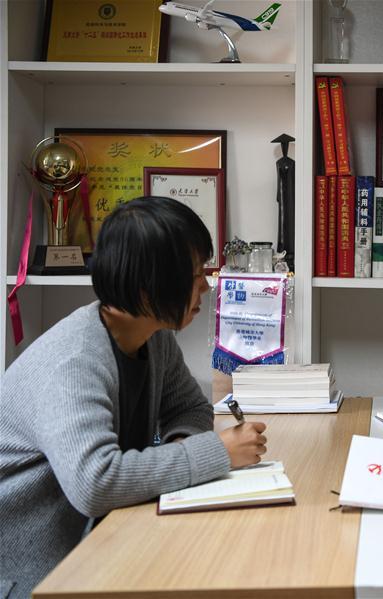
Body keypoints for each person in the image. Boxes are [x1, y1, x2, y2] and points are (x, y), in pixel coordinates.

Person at [0, 197, 268, 599]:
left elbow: (188, 407)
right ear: (147, 287)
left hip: (100, 545)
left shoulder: (152, 335)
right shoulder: (73, 363)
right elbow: (95, 482)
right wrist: (214, 454)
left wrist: (179, 452)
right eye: (194, 274)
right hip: (34, 576)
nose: (206, 286)